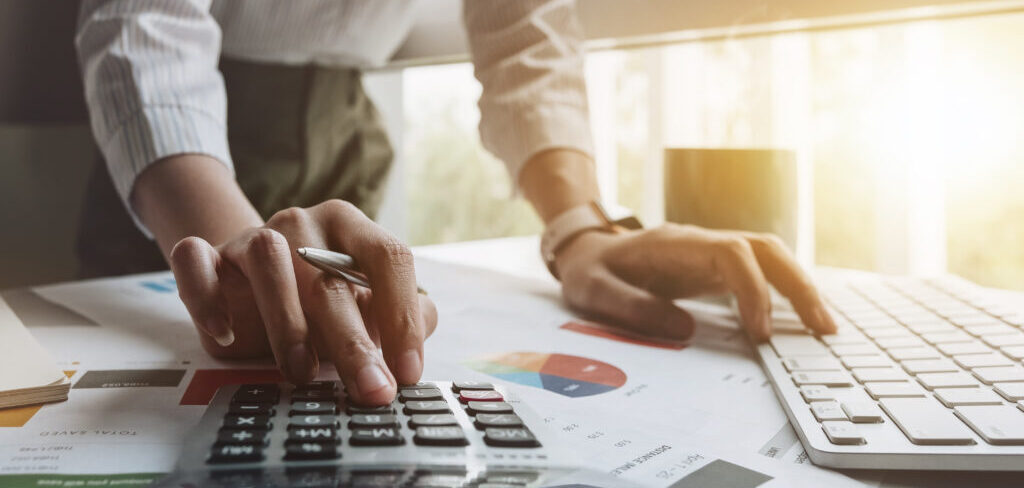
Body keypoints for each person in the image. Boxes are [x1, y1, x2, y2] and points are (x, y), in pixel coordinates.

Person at [75, 0, 836, 405]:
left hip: (343, 125)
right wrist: (238, 246)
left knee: (340, 389)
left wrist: (579, 227)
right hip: (183, 176)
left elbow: (523, 29)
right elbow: (146, 31)